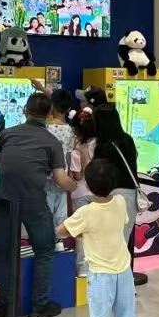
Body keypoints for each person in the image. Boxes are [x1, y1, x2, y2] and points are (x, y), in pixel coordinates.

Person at [0, 92, 77, 317]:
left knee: (3, 251)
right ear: (49, 114)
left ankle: (5, 304)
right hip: (34, 201)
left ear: (24, 111)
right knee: (45, 249)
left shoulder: (7, 134)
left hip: (4, 200)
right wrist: (74, 185)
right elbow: (60, 179)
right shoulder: (51, 142)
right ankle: (40, 305)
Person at [59, 159, 141, 317]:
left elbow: (63, 230)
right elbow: (117, 224)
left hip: (101, 276)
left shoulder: (85, 212)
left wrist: (81, 231)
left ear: (88, 184)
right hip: (124, 271)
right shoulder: (121, 202)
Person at [93, 104, 141, 257]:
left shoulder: (102, 146)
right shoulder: (127, 140)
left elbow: (98, 173)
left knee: (109, 247)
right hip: (130, 195)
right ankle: (124, 272)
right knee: (123, 243)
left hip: (111, 196)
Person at [44, 89, 77, 248]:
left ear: (52, 106)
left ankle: (46, 246)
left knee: (46, 213)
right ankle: (59, 246)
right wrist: (69, 177)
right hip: (63, 177)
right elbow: (70, 155)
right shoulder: (70, 130)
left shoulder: (46, 128)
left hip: (46, 176)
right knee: (61, 215)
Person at [68, 108, 97, 277]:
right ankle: (96, 266)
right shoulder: (99, 144)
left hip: (80, 193)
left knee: (81, 232)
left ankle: (83, 268)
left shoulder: (77, 148)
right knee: (96, 230)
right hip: (97, 192)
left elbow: (78, 175)